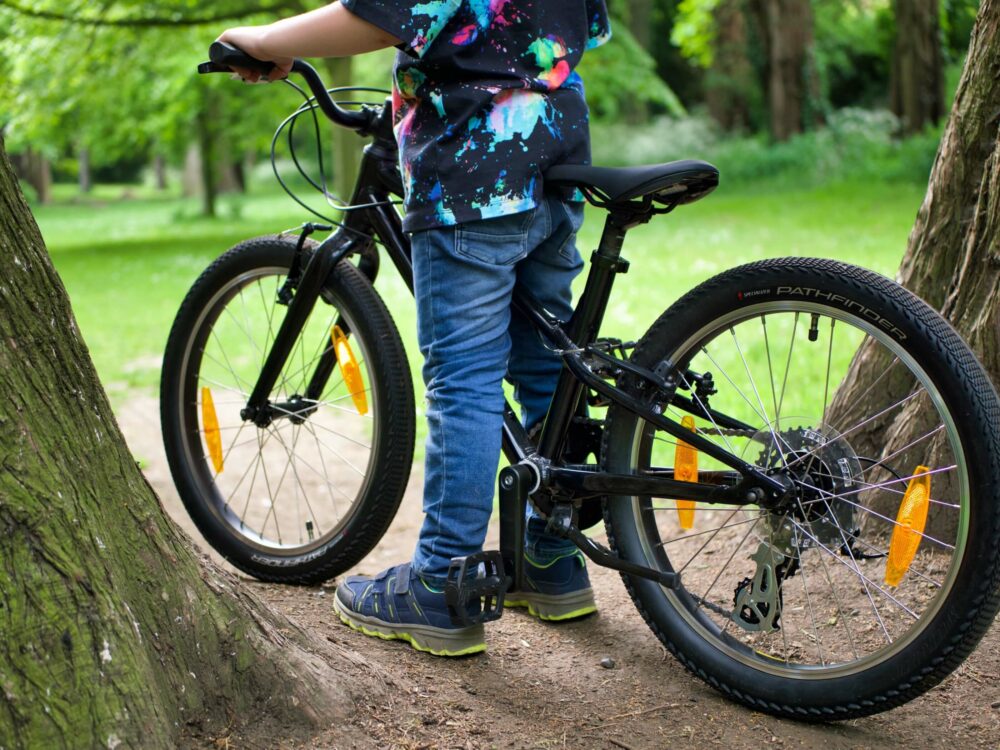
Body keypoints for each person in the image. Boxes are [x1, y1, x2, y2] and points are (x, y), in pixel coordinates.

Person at [217, 0, 610, 657]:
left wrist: (265, 39)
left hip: (472, 166)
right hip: (555, 152)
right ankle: (550, 560)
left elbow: (387, 11)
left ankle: (441, 581)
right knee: (547, 364)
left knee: (464, 380)